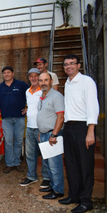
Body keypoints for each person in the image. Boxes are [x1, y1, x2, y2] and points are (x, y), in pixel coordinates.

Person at [58, 54, 99, 213]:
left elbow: (93, 107)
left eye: (72, 64)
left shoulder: (87, 82)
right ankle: (74, 195)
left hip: (83, 127)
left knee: (85, 165)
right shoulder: (67, 83)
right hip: (69, 127)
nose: (68, 66)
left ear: (78, 65)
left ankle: (86, 200)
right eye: (66, 64)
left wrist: (90, 131)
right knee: (72, 164)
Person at [0, 66, 30, 173]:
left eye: (8, 72)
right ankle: (9, 163)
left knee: (18, 141)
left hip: (20, 118)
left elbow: (32, 95)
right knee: (8, 142)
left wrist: (28, 107)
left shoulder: (21, 85)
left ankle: (16, 163)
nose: (6, 74)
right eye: (4, 73)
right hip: (6, 120)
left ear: (12, 73)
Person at [20, 68, 50, 188]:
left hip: (40, 128)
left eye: (36, 76)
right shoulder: (28, 91)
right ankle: (31, 176)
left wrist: (42, 127)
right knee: (30, 153)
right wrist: (28, 109)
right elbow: (32, 105)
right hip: (30, 127)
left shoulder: (44, 91)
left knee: (44, 153)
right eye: (31, 76)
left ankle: (47, 178)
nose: (33, 78)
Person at [36, 72, 65, 200]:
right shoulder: (43, 96)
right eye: (41, 80)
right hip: (44, 135)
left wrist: (54, 134)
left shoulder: (56, 96)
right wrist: (40, 133)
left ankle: (58, 190)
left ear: (51, 81)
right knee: (47, 164)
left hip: (52, 135)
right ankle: (53, 186)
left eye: (46, 80)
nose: (43, 83)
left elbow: (60, 117)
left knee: (55, 165)